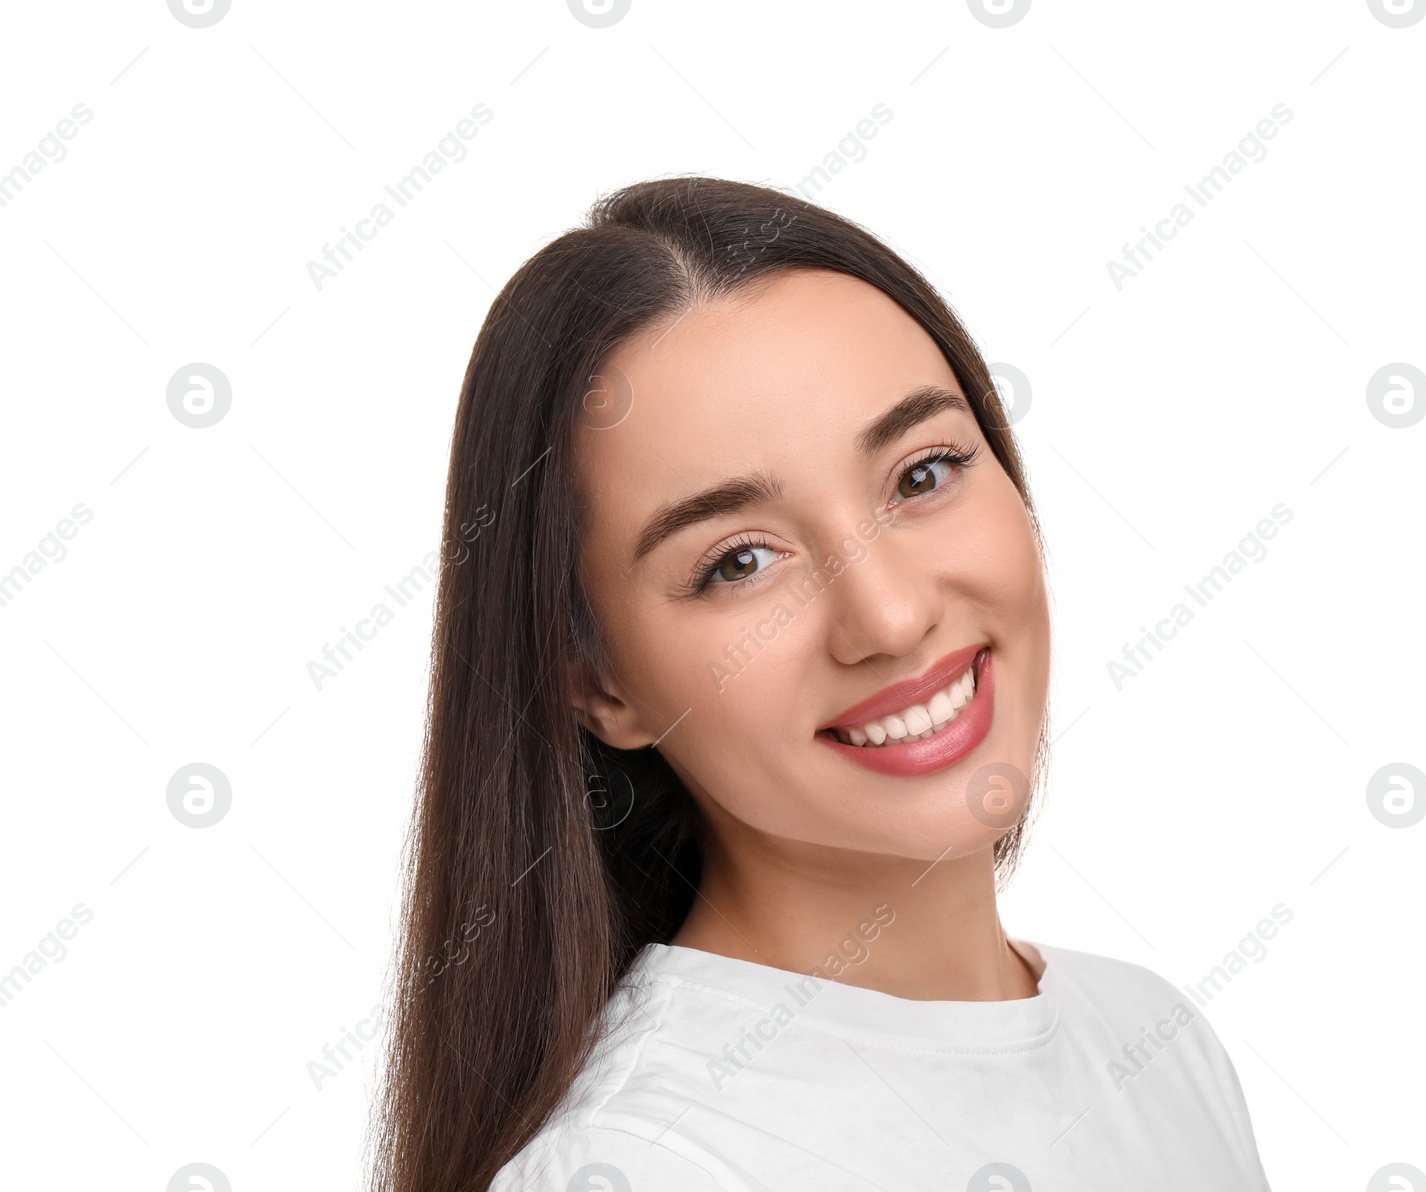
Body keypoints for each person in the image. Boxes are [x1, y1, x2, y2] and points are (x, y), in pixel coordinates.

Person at [370, 175, 1273, 1192]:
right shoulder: (635, 1170)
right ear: (600, 684)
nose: (889, 617)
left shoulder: (1150, 1039)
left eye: (922, 473)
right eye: (740, 562)